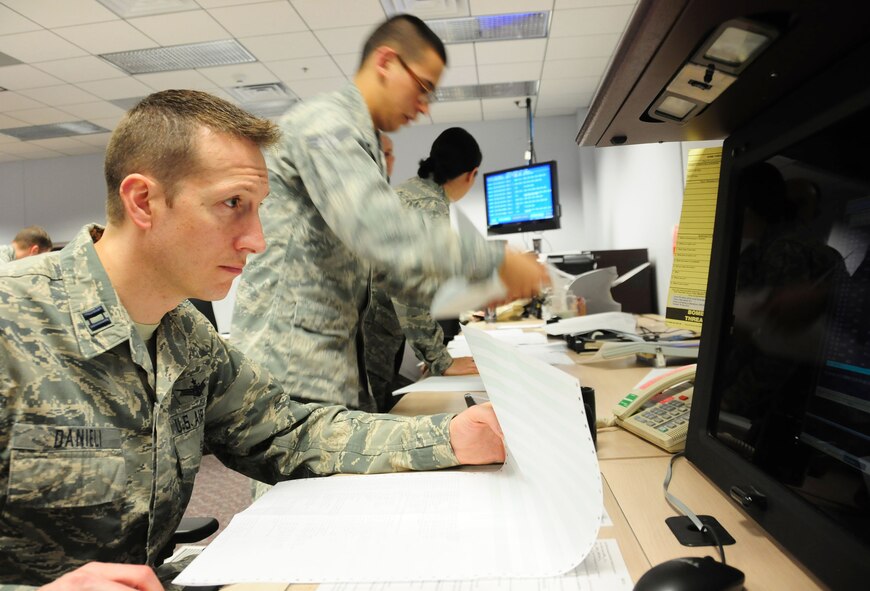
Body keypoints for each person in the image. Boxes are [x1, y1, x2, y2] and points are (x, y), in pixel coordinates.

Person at [0, 89, 506, 589]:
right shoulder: (12, 325)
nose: (256, 240)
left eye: (258, 208)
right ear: (143, 201)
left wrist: (448, 435)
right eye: (232, 204)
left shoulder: (185, 337)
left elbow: (287, 433)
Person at [232, 14, 547, 414]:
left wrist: (485, 283)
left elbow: (386, 272)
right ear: (385, 62)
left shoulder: (363, 142)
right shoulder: (327, 124)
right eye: (423, 88)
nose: (423, 106)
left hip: (329, 361)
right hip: (292, 367)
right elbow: (380, 232)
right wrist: (495, 259)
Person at [364, 127, 483, 411]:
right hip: (371, 335)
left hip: (366, 326)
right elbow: (410, 293)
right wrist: (442, 360)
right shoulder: (429, 207)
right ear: (471, 174)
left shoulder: (407, 191)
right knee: (372, 416)